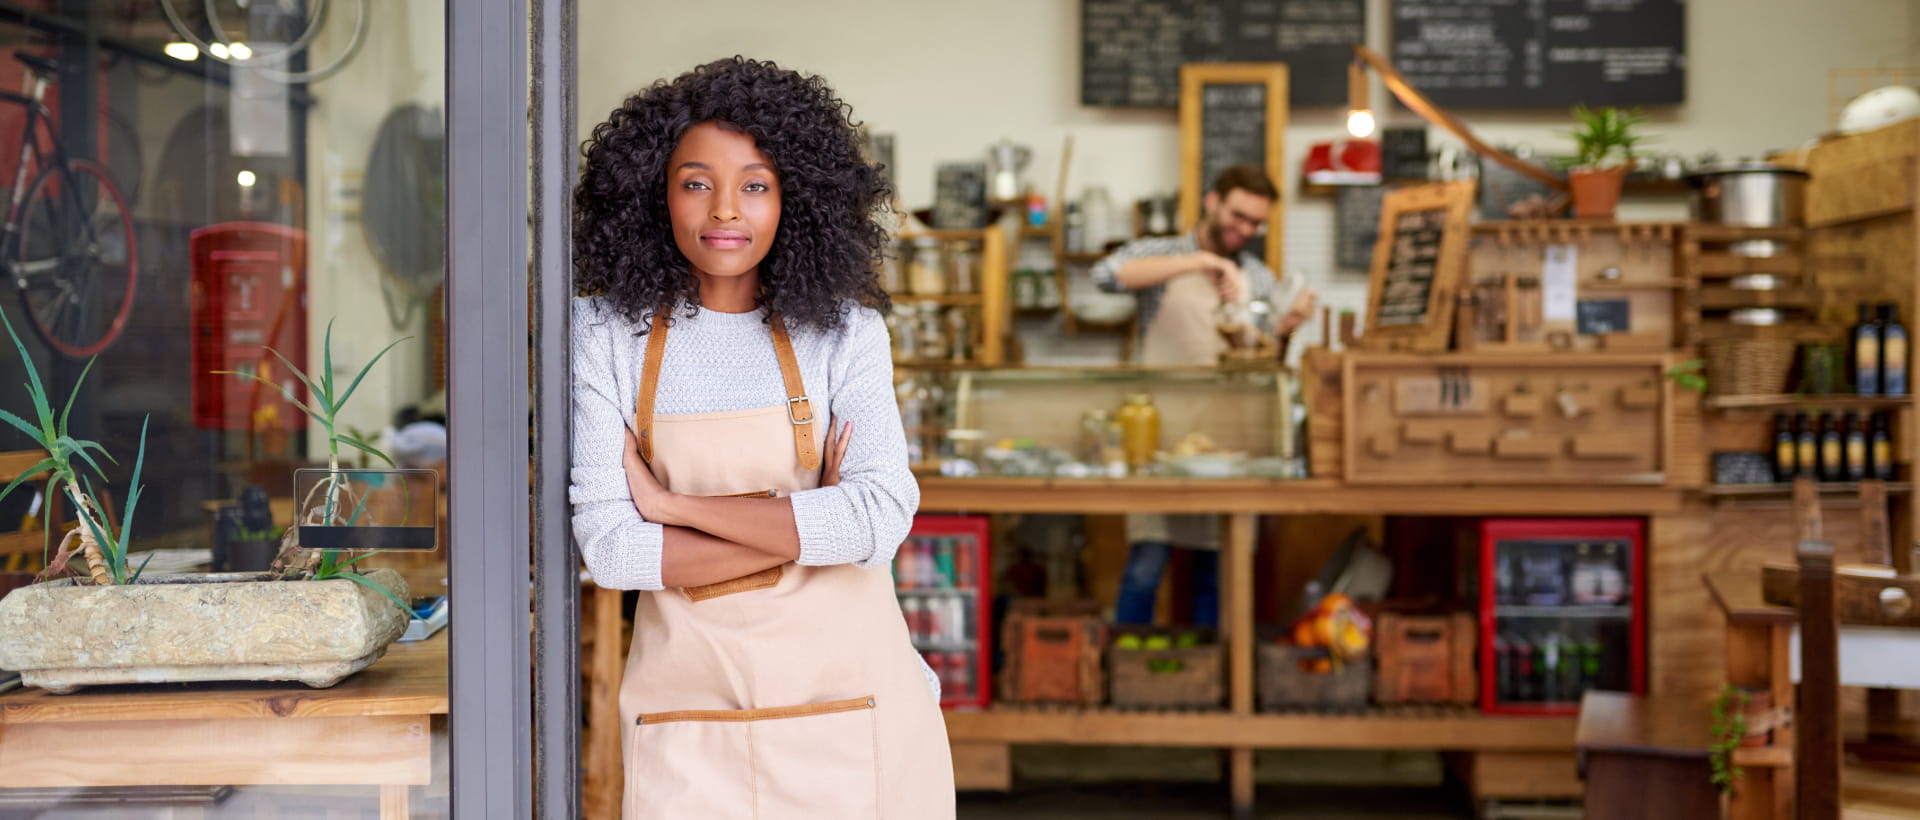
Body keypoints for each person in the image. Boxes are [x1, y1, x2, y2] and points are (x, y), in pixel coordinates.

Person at [569, 57, 953, 818]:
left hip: (857, 709)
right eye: (695, 182)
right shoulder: (605, 334)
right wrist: (810, 520)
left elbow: (879, 520)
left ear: (794, 198)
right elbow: (611, 550)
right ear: (654, 195)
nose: (724, 211)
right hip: (690, 718)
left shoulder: (846, 334)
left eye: (754, 184)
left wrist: (674, 507)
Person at [1091, 164, 1315, 626]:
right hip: (1156, 436)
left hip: (1225, 443)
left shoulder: (1257, 276)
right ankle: (1129, 677)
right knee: (1146, 566)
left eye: (1255, 223)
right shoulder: (1165, 253)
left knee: (1219, 570)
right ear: (1212, 202)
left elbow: (1264, 361)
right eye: (1238, 215)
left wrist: (1286, 330)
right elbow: (1105, 274)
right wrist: (1200, 262)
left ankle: (1207, 677)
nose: (1245, 229)